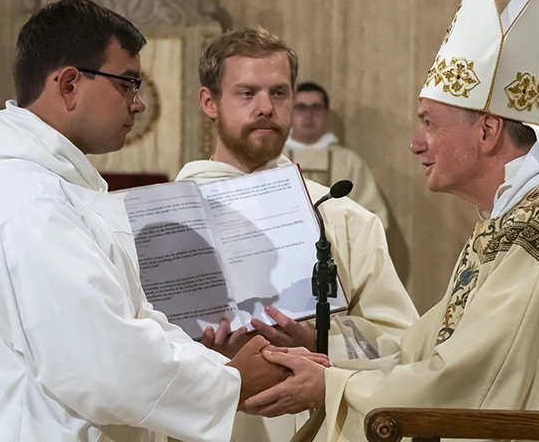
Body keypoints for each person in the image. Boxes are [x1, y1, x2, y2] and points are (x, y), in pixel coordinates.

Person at [241, 0, 539, 442]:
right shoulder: (513, 221)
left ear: (489, 131)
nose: (415, 143)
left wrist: (331, 387)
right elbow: (427, 352)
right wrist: (327, 348)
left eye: (429, 123)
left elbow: (469, 382)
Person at [0, 0, 291, 442]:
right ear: (70, 84)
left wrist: (215, 364)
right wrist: (232, 382)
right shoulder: (27, 202)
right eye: (128, 84)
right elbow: (101, 362)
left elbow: (128, 322)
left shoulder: (35, 190)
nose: (139, 105)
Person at [175, 26, 419, 441]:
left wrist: (317, 337)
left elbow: (401, 345)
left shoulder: (343, 218)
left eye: (279, 93)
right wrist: (195, 347)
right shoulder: (168, 222)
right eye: (246, 93)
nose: (266, 108)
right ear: (209, 102)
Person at [284, 82, 390, 229]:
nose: (308, 115)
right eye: (301, 107)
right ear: (289, 112)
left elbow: (373, 217)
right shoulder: (274, 158)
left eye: (316, 108)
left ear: (326, 113)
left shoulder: (348, 161)